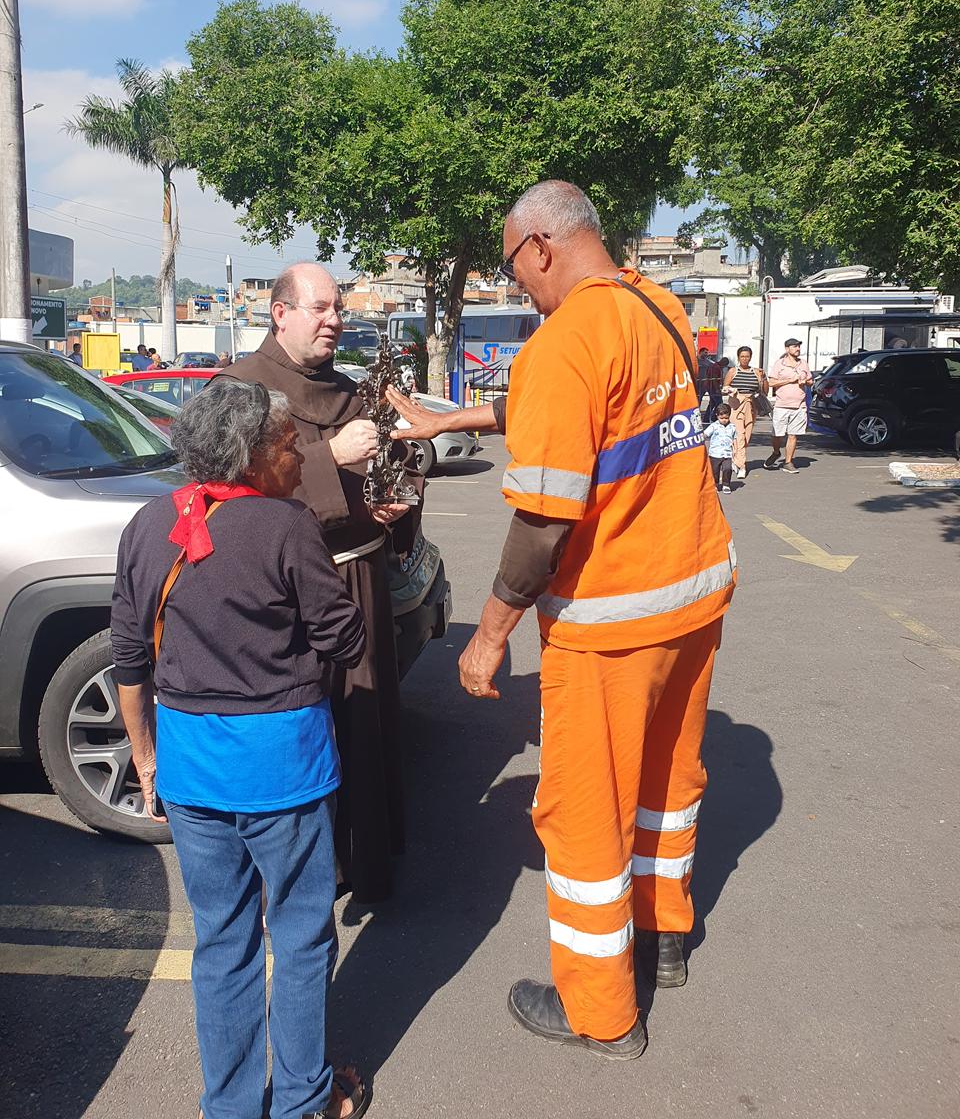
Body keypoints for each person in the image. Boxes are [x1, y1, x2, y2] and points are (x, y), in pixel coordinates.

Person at [417, 181, 736, 1058]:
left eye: (512, 266)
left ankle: (601, 1011)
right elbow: (576, 407)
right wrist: (449, 419)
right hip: (693, 598)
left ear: (541, 247)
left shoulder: (565, 342)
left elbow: (543, 523)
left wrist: (488, 637)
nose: (515, 284)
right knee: (667, 784)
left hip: (610, 624)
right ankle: (664, 937)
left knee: (586, 814)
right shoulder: (656, 306)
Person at [110, 377, 370, 1119]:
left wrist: (146, 761)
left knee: (221, 944)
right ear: (251, 455)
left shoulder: (149, 522)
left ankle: (228, 1106)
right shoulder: (287, 527)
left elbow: (129, 658)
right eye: (288, 445)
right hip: (281, 770)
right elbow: (345, 641)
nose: (298, 457)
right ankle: (302, 1100)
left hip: (191, 769)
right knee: (300, 937)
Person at [223, 263, 411, 903]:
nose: (335, 320)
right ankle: (303, 875)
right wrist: (330, 456)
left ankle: (363, 862)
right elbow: (233, 492)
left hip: (360, 575)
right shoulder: (240, 390)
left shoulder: (348, 389)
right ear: (280, 314)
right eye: (321, 309)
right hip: (285, 593)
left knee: (362, 725)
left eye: (339, 310)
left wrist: (395, 495)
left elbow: (388, 465)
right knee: (301, 732)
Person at [765, 337, 812, 474]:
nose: (797, 349)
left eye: (798, 346)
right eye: (794, 346)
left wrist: (805, 381)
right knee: (777, 434)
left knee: (793, 435)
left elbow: (811, 381)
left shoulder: (803, 364)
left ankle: (788, 462)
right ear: (787, 349)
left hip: (799, 406)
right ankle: (776, 452)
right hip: (782, 405)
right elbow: (771, 383)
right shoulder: (779, 364)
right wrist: (789, 380)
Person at [722, 345, 768, 478]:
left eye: (747, 356)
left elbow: (764, 391)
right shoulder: (733, 371)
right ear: (738, 357)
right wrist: (730, 390)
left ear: (750, 357)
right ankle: (741, 465)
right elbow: (724, 387)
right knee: (739, 435)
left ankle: (735, 458)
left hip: (751, 405)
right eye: (742, 356)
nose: (744, 359)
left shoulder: (756, 372)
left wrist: (764, 378)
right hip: (736, 405)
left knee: (746, 436)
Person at [704, 403, 736, 492]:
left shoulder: (732, 427)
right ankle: (715, 484)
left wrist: (735, 450)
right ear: (717, 416)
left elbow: (735, 439)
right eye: (721, 418)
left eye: (726, 418)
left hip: (727, 453)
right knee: (715, 470)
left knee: (727, 469)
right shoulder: (714, 426)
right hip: (715, 453)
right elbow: (706, 434)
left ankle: (726, 484)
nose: (724, 420)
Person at [696, 346, 722, 420]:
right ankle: (697, 415)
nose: (706, 354)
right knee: (698, 400)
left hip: (707, 384)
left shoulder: (709, 362)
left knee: (713, 400)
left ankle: (707, 417)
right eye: (705, 352)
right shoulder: (695, 361)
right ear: (700, 352)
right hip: (698, 383)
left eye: (707, 353)